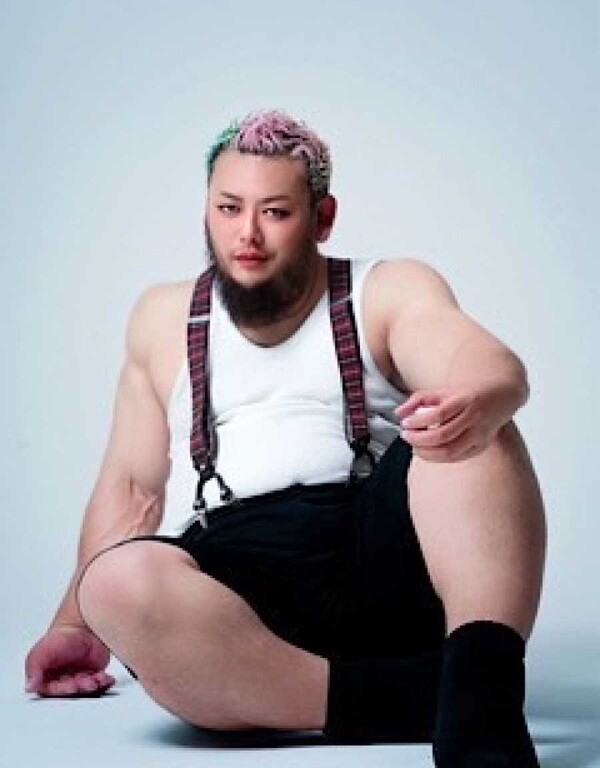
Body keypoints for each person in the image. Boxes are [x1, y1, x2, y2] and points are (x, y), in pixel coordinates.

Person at [24, 110, 546, 767]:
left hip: (381, 562)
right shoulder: (161, 317)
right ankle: (409, 699)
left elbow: (484, 364)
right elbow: (132, 490)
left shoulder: (386, 290)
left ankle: (480, 696)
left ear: (322, 219)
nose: (247, 234)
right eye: (229, 208)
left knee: (463, 426)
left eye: (275, 212)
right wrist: (73, 622)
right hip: (240, 597)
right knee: (114, 583)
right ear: (206, 211)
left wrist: (485, 397)